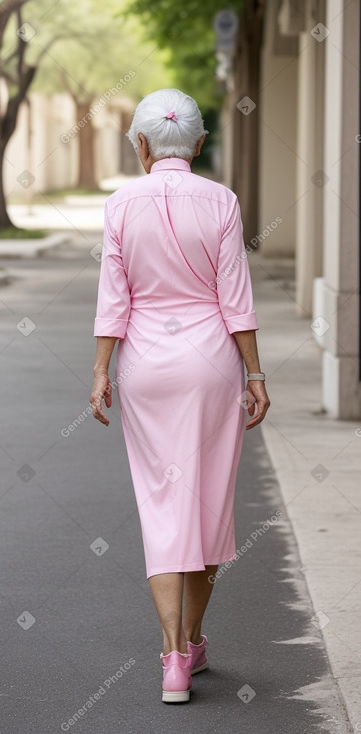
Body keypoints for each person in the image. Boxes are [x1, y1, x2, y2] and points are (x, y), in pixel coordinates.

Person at [90, 88, 270, 704]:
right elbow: (234, 298)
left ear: (141, 145)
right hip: (210, 365)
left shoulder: (119, 204)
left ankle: (170, 658)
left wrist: (100, 371)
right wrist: (254, 374)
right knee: (207, 502)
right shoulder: (222, 201)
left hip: (145, 367)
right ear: (197, 144)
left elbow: (114, 298)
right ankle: (193, 639)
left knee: (162, 503)